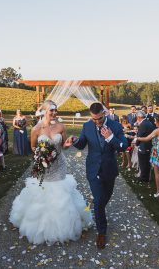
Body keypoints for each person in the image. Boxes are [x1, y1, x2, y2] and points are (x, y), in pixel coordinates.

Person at [9, 100, 92, 245]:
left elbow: (64, 145)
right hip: (43, 166)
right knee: (42, 190)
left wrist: (66, 145)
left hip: (59, 165)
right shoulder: (36, 129)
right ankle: (40, 225)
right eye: (51, 110)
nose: (54, 113)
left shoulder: (60, 126)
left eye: (55, 110)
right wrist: (42, 155)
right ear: (45, 111)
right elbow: (33, 147)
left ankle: (64, 225)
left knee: (60, 191)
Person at [66, 102, 128, 249]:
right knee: (99, 200)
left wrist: (111, 137)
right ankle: (101, 231)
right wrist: (75, 140)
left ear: (104, 113)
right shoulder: (87, 126)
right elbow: (82, 144)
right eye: (94, 119)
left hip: (109, 169)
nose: (97, 122)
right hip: (93, 169)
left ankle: (98, 211)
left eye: (99, 119)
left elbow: (124, 146)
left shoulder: (116, 126)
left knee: (105, 197)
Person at [132, 114, 159, 197]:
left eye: (156, 121)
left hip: (158, 153)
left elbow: (146, 139)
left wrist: (137, 138)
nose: (155, 122)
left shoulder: (158, 130)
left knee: (157, 173)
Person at [135, 111, 156, 183]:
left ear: (139, 117)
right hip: (148, 144)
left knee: (143, 162)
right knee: (146, 162)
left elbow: (140, 135)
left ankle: (143, 178)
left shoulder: (143, 124)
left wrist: (136, 143)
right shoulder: (148, 122)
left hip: (144, 145)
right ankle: (146, 177)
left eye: (137, 117)